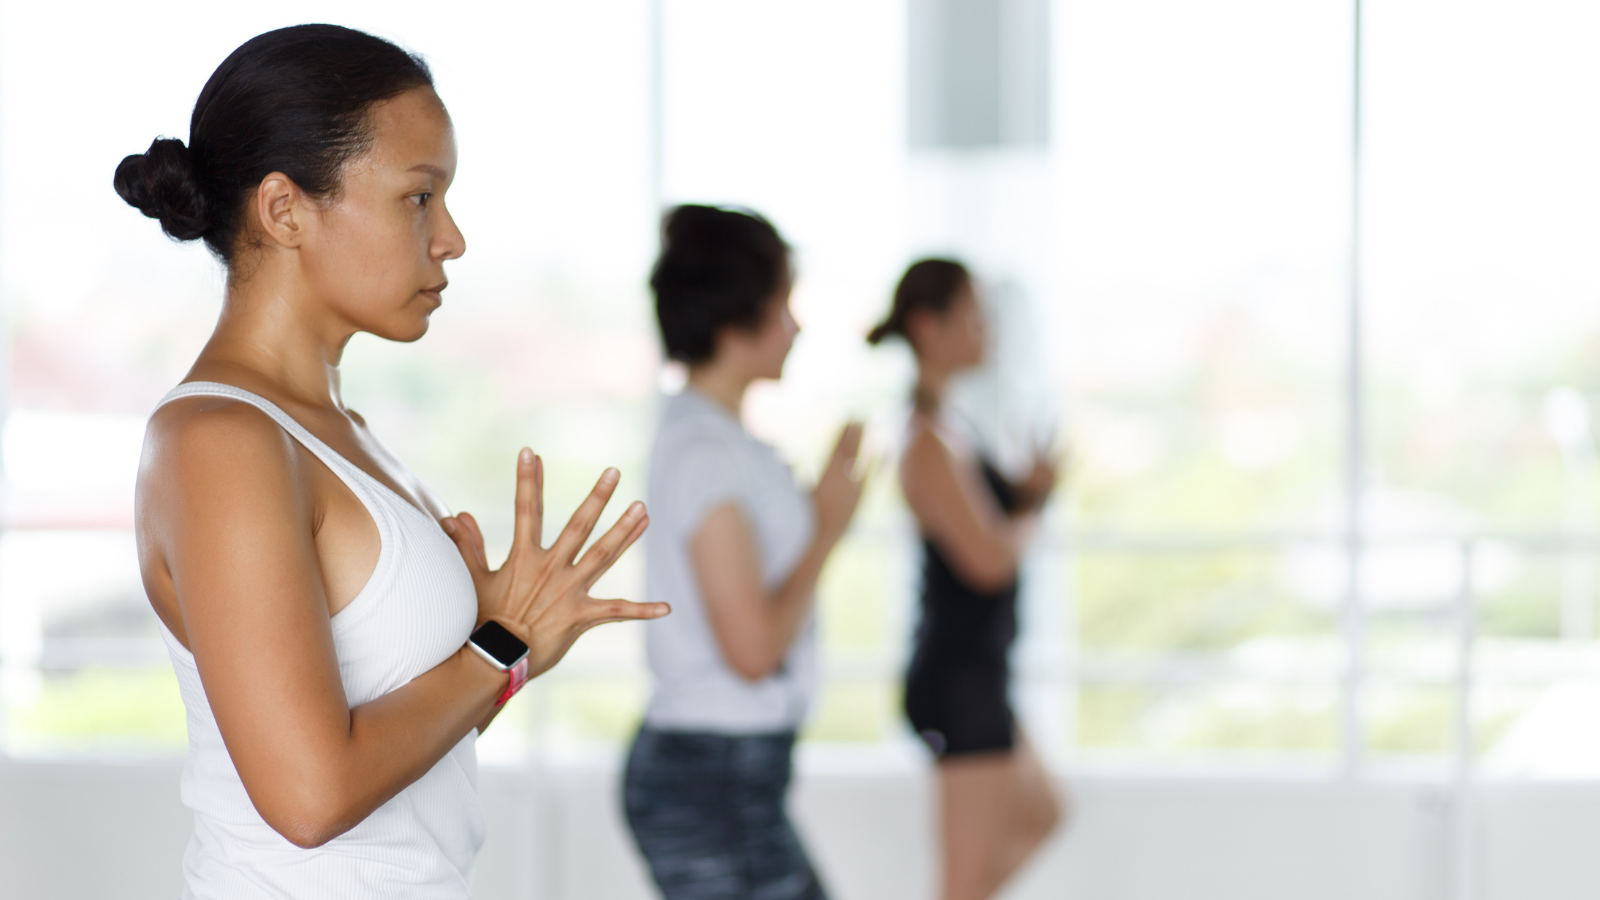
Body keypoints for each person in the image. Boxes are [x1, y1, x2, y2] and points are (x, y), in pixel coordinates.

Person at [119, 25, 666, 899]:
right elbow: (309, 797)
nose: (450, 238)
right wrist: (500, 645)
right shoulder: (220, 442)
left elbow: (397, 769)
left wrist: (511, 646)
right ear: (285, 209)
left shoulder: (344, 429)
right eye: (420, 197)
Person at [623, 205, 866, 900]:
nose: (796, 326)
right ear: (735, 318)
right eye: (783, 304)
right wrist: (826, 529)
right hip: (711, 780)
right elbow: (752, 648)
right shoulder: (704, 450)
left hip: (733, 774)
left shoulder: (722, 440)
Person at [867, 259, 1065, 900]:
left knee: (1044, 813)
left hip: (981, 675)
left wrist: (1027, 494)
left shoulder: (952, 426)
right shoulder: (927, 442)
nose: (988, 332)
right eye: (974, 316)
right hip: (960, 683)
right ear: (930, 326)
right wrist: (1034, 509)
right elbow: (990, 561)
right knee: (962, 883)